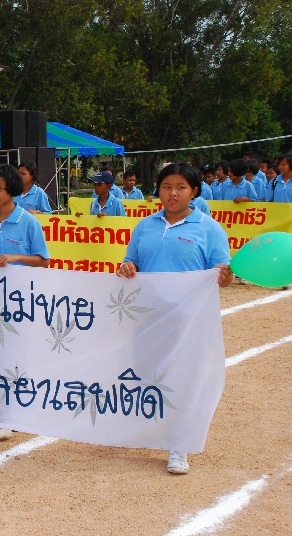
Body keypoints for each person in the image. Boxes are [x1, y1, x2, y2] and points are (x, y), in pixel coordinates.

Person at [117, 162, 233, 475]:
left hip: (188, 321)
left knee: (181, 379)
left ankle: (178, 445)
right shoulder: (145, 226)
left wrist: (225, 277)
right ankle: (151, 428)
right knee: (146, 374)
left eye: (181, 187)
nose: (173, 193)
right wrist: (127, 267)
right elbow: (130, 262)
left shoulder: (209, 229)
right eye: (167, 186)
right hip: (148, 316)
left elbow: (222, 276)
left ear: (194, 191)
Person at [0, 164, 49, 441]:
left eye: (0, 188)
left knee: (14, 354)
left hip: (21, 301)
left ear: (12, 190)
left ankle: (5, 416)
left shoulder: (28, 222)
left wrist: (18, 257)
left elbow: (43, 259)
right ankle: (7, 410)